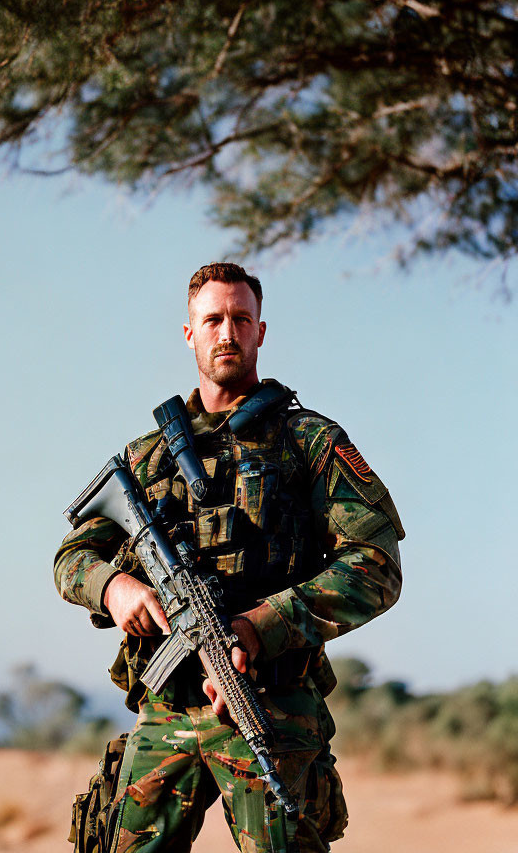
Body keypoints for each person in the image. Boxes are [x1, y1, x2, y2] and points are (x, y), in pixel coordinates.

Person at [55, 262, 404, 853]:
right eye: (212, 319)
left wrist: (257, 627)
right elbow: (71, 556)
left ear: (260, 332)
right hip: (167, 711)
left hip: (269, 706)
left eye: (241, 319)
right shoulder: (148, 458)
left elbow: (375, 564)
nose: (227, 332)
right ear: (188, 332)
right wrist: (115, 588)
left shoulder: (308, 442)